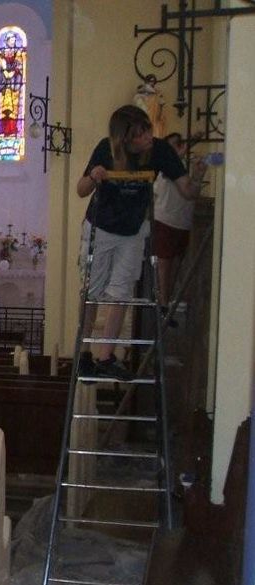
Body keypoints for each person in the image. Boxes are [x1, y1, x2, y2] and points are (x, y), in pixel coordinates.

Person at [75, 104, 202, 380]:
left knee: (121, 291)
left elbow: (187, 189)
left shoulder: (160, 151)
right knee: (92, 291)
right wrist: (94, 177)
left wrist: (200, 177)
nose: (148, 137)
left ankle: (106, 356)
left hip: (133, 230)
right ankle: (83, 353)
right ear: (125, 138)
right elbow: (81, 190)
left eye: (148, 130)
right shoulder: (106, 149)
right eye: (140, 133)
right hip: (102, 226)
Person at [153, 132, 205, 319]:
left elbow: (192, 192)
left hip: (183, 223)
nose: (181, 147)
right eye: (176, 144)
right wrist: (193, 140)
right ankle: (163, 304)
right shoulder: (165, 165)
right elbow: (174, 157)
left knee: (175, 265)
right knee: (164, 265)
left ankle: (167, 303)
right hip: (165, 220)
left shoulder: (185, 166)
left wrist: (199, 175)